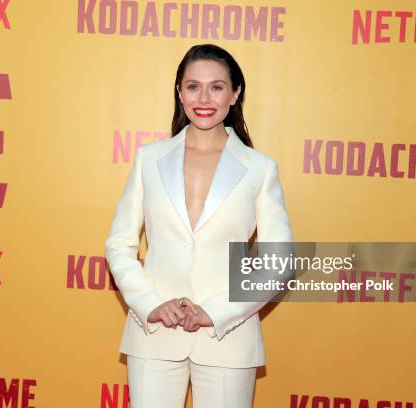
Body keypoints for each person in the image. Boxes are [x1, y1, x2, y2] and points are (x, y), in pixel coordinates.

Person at [104, 44, 293, 408]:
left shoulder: (259, 168)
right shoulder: (148, 159)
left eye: (216, 87)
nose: (203, 98)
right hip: (154, 334)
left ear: (236, 93)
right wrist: (150, 304)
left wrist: (216, 311)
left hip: (229, 338)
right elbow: (119, 243)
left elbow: (278, 260)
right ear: (179, 92)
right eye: (193, 86)